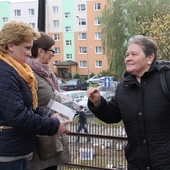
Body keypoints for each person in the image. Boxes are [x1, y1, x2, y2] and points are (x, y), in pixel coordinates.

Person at [87, 35, 170, 170]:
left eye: (134, 54)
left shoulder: (165, 79)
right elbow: (112, 115)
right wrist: (98, 102)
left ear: (150, 58)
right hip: (137, 164)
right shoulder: (123, 86)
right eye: (127, 55)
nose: (128, 58)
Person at [0, 21, 71, 170]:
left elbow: (30, 106)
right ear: (10, 45)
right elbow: (18, 116)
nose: (28, 53)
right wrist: (53, 125)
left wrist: (49, 117)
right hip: (7, 155)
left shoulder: (18, 70)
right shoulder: (5, 73)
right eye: (26, 48)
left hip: (16, 150)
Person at [26, 32, 63, 170]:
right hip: (38, 142)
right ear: (40, 51)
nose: (54, 54)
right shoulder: (29, 74)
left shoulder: (48, 73)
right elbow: (28, 107)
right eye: (52, 51)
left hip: (52, 135)